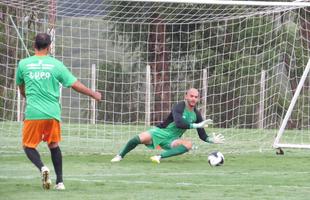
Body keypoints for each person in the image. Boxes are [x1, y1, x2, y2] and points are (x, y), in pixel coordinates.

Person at [16, 33, 101, 190]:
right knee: (54, 145)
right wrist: (93, 94)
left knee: (28, 146)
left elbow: (21, 89)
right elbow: (75, 84)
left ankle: (43, 168)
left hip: (34, 113)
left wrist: (26, 95)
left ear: (34, 46)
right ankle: (60, 182)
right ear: (48, 47)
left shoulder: (23, 64)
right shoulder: (56, 65)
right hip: (52, 114)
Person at [111, 88, 224, 164]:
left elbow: (202, 135)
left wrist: (211, 140)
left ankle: (159, 157)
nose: (193, 98)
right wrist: (196, 125)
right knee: (136, 139)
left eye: (196, 97)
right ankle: (120, 155)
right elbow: (179, 123)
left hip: (173, 139)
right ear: (186, 96)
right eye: (191, 96)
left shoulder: (196, 114)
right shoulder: (179, 107)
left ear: (198, 99)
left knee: (188, 144)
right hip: (160, 132)